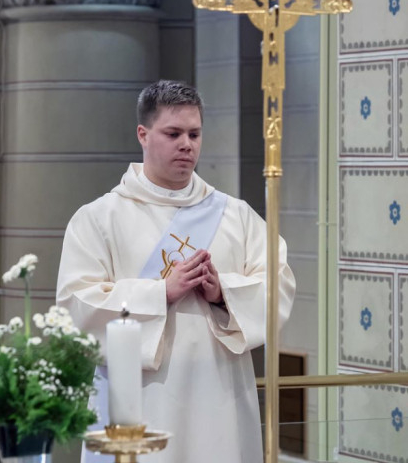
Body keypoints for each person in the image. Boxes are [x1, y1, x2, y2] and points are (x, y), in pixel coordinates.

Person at [56, 80, 296, 463]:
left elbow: (277, 284)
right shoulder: (98, 219)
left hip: (219, 401)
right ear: (143, 134)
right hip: (141, 403)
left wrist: (222, 293)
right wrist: (160, 293)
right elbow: (76, 307)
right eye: (173, 134)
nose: (186, 144)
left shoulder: (236, 216)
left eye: (194, 134)